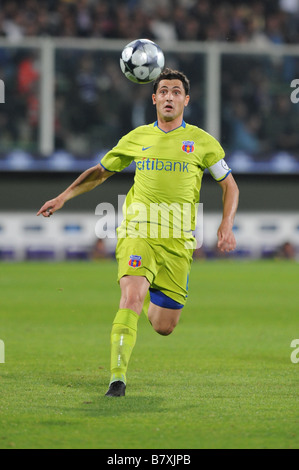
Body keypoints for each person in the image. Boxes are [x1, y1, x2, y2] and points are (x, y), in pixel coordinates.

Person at [37, 68, 239, 397]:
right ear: (154, 98)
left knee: (163, 326)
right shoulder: (137, 138)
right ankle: (117, 379)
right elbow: (100, 172)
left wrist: (226, 224)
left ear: (186, 100)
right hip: (138, 230)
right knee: (130, 298)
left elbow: (230, 186)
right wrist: (62, 197)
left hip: (178, 241)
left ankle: (149, 293)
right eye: (164, 91)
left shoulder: (202, 142)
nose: (169, 96)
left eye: (176, 92)